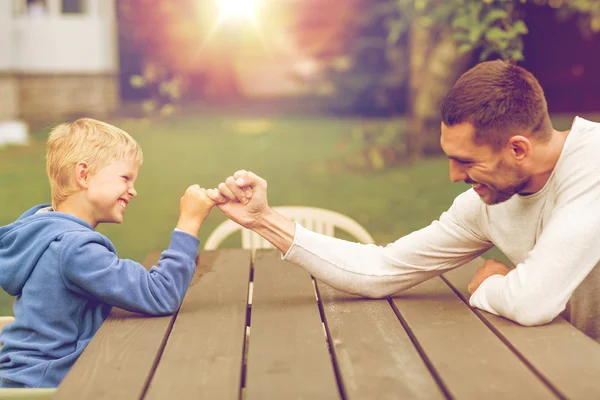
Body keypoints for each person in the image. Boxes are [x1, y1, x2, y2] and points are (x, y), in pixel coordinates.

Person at [206, 60, 600, 343]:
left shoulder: (593, 165)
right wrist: (264, 221)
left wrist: (490, 286)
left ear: (518, 149)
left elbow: (532, 303)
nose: (454, 177)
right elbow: (380, 269)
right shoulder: (485, 205)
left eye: (466, 162)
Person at [0, 118, 214, 388]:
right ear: (84, 175)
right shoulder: (75, 248)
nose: (133, 191)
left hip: (26, 376)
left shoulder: (42, 229)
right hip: (51, 386)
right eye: (125, 178)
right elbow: (160, 294)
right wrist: (189, 223)